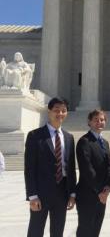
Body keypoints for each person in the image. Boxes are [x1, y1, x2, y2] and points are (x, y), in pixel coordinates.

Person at [24, 97, 76, 237]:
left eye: (63, 111)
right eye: (56, 110)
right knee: (36, 229)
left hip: (62, 192)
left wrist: (72, 193)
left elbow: (70, 168)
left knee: (58, 230)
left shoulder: (69, 137)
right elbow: (29, 168)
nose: (60, 114)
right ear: (49, 112)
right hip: (41, 193)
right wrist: (32, 195)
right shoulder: (35, 136)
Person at [76, 109, 110, 237]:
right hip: (88, 195)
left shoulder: (105, 143)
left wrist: (108, 187)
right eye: (96, 120)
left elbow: (109, 166)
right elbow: (87, 169)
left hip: (102, 195)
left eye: (102, 120)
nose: (99, 122)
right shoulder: (84, 141)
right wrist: (99, 192)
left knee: (96, 229)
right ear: (89, 122)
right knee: (85, 230)